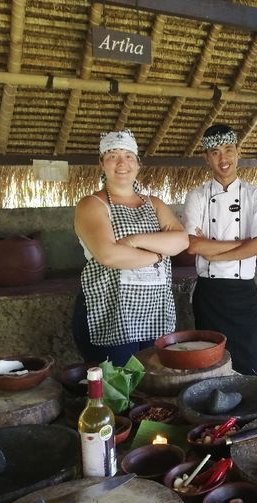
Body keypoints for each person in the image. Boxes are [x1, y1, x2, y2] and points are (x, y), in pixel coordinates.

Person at [72, 129, 189, 366]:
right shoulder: (91, 205)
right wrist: (158, 254)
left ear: (137, 164)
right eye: (113, 155)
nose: (121, 163)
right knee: (117, 392)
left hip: (153, 313)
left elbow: (181, 241)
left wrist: (135, 241)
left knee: (153, 389)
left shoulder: (154, 203)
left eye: (128, 156)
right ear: (102, 163)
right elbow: (109, 255)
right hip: (109, 312)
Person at [182, 124, 257, 376]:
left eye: (228, 150)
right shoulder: (197, 196)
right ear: (206, 157)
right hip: (209, 294)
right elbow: (193, 245)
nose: (223, 158)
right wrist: (243, 244)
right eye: (215, 152)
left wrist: (212, 251)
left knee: (252, 364)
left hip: (243, 293)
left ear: (238, 152)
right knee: (212, 367)